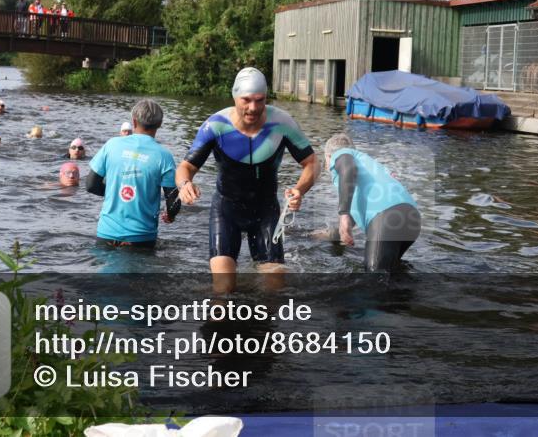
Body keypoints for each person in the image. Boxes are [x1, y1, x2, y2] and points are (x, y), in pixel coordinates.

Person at [176, 67, 317, 290]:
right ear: (235, 97)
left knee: (274, 292)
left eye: (259, 100)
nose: (253, 108)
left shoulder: (281, 123)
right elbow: (186, 167)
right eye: (246, 100)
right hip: (226, 210)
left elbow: (311, 163)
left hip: (266, 211)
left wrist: (300, 188)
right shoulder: (216, 125)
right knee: (222, 291)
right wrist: (184, 184)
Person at [86, 99, 179, 248]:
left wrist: (114, 192)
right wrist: (171, 215)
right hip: (141, 237)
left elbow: (90, 185)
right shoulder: (164, 156)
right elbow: (173, 200)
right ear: (160, 124)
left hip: (106, 234)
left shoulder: (111, 145)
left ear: (134, 122)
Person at [322, 134, 421, 272]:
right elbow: (357, 211)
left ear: (327, 156)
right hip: (411, 217)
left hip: (387, 217)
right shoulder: (370, 166)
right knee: (393, 275)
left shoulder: (341, 153)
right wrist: (340, 228)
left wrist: (343, 215)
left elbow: (348, 169)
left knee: (374, 279)